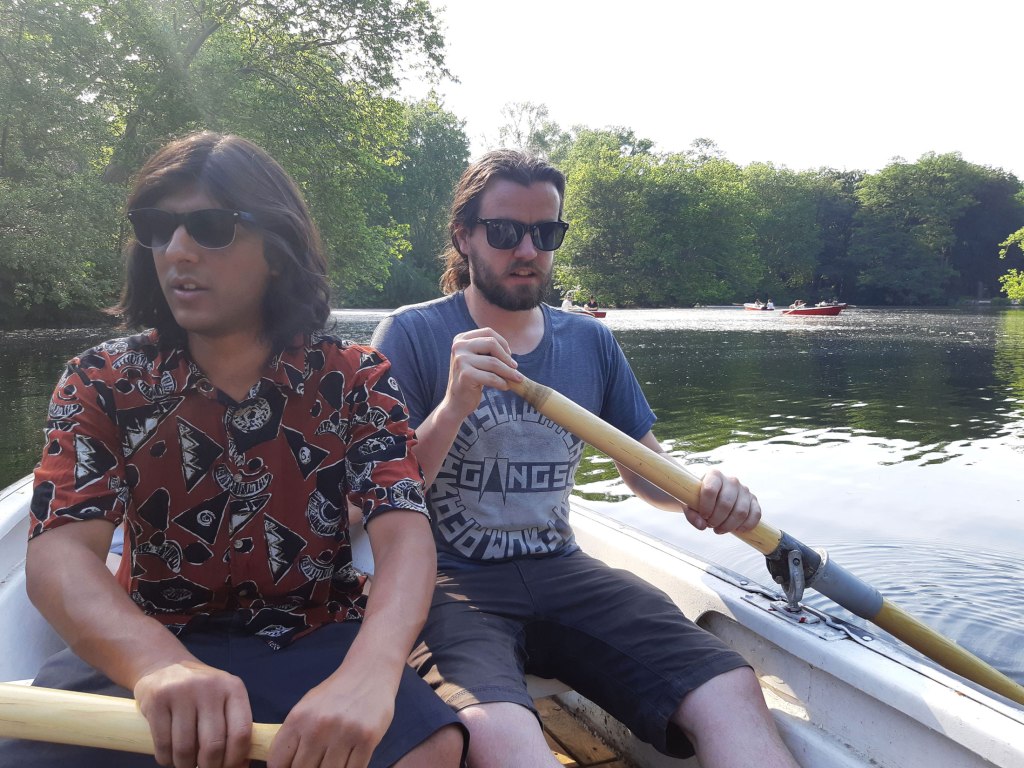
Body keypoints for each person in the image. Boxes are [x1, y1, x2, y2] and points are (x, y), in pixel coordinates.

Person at [0, 132, 465, 768]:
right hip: (149, 640)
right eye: (158, 227)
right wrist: (158, 666)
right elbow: (58, 555)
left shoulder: (355, 375)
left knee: (432, 749)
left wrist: (373, 672)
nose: (177, 250)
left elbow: (405, 536)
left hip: (313, 634)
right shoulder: (99, 380)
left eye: (211, 227)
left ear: (277, 250)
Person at [371, 149, 798, 768]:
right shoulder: (411, 334)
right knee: (498, 736)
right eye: (504, 232)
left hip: (565, 571)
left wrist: (701, 488)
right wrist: (452, 406)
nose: (526, 250)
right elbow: (386, 498)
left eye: (545, 233)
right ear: (464, 236)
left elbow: (646, 471)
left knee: (731, 688)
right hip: (451, 584)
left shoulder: (590, 341)